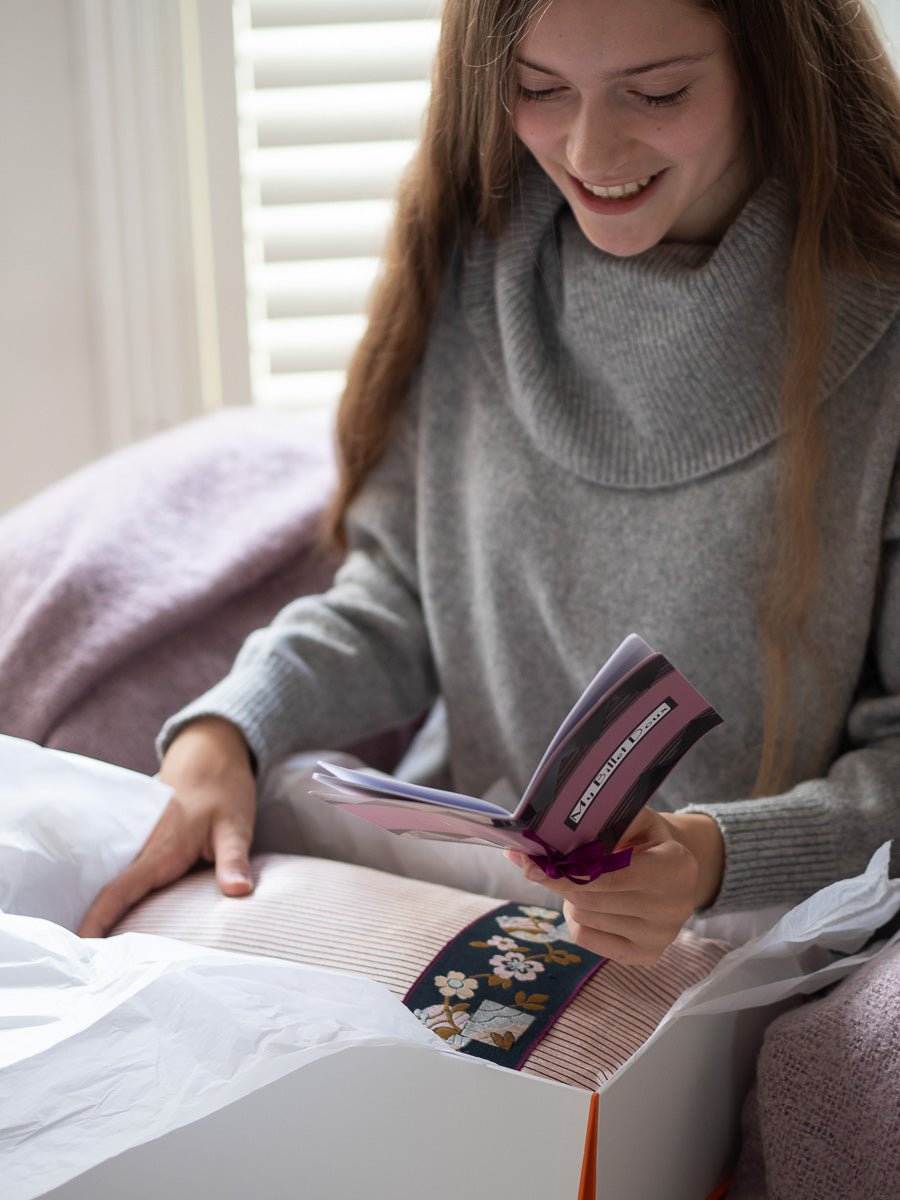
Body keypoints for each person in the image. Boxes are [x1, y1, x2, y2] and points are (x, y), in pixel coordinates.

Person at [79, 0, 900, 965]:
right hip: (465, 901)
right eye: (538, 89)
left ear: (774, 64)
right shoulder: (475, 264)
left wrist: (710, 858)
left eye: (659, 91)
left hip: (736, 940)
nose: (591, 147)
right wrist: (232, 723)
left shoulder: (879, 342)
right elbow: (397, 598)